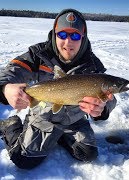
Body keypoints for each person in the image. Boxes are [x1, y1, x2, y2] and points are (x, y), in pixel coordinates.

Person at [0, 9, 117, 169]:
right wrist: (6, 87)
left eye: (75, 36)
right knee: (24, 160)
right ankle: (10, 125)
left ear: (83, 37)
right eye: (62, 35)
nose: (68, 43)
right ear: (54, 34)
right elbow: (12, 70)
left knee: (87, 154)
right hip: (44, 117)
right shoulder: (38, 54)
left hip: (74, 120)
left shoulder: (93, 65)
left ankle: (60, 136)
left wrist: (103, 108)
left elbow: (110, 97)